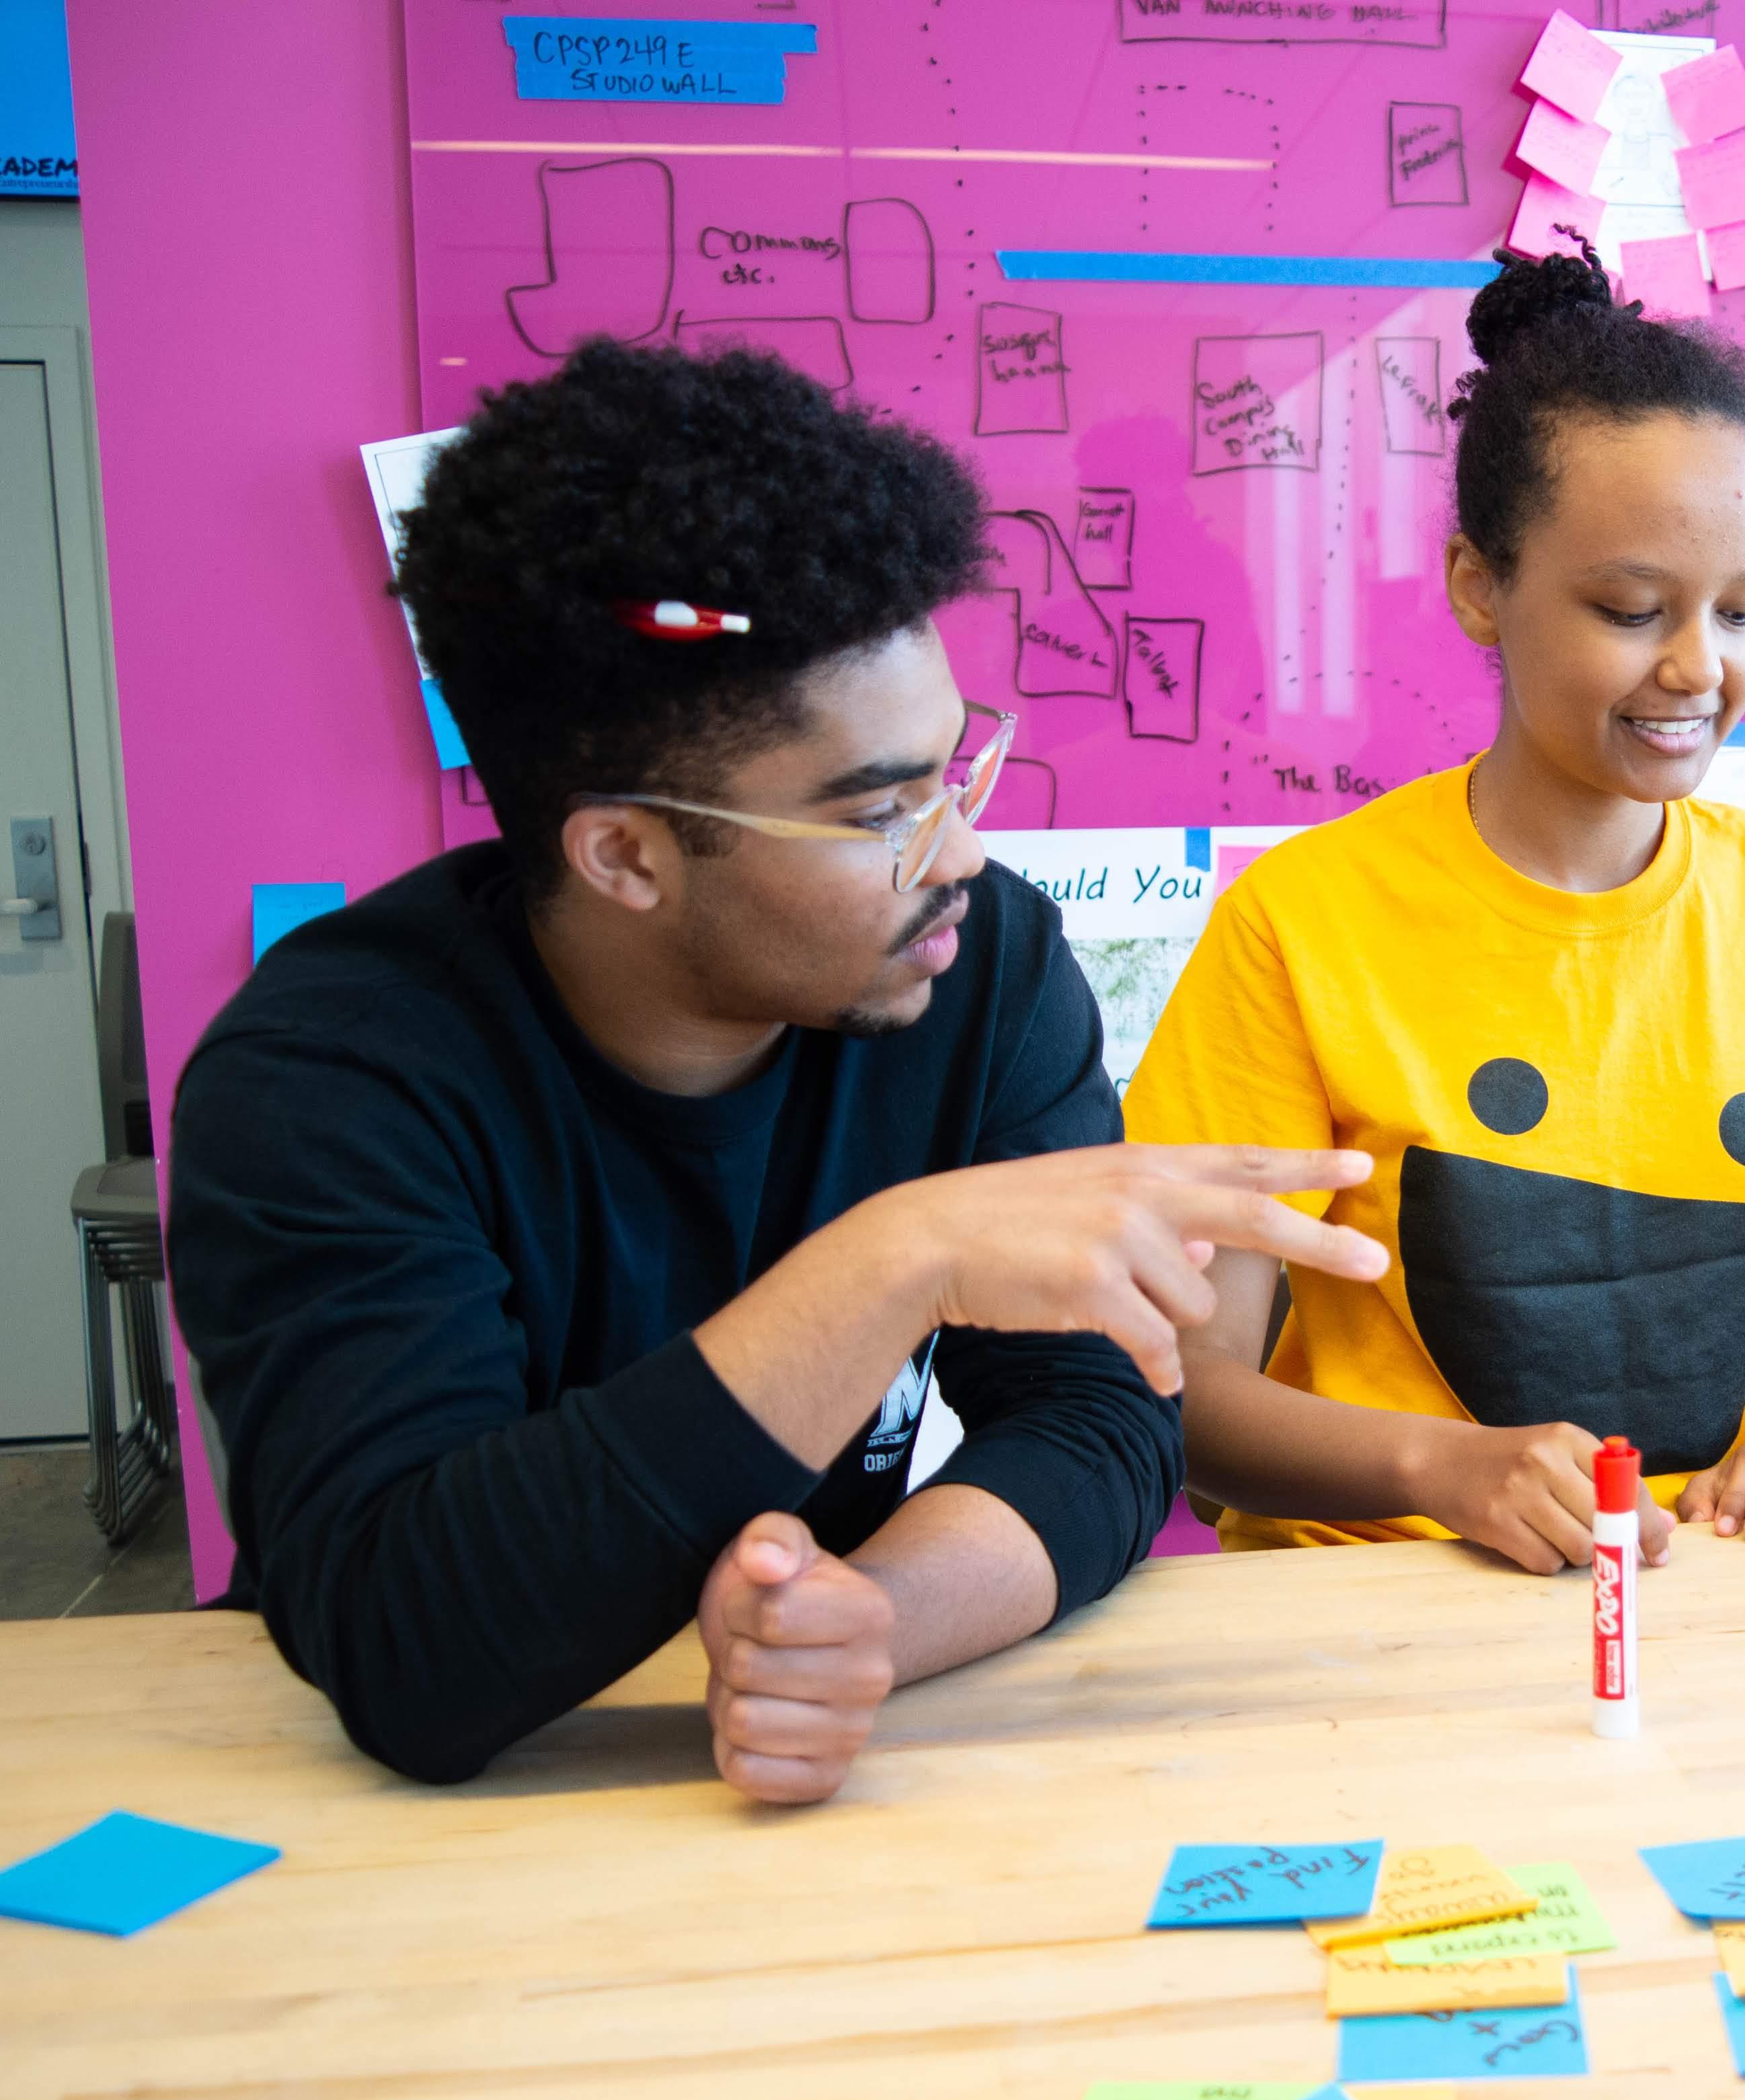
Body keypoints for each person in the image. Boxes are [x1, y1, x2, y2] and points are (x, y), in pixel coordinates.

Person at [169, 342, 1383, 1800]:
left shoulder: (978, 969)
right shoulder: (332, 1078)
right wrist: (896, 1257)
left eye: (953, 772)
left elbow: (1104, 1419)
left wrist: (875, 1623)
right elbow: (406, 1648)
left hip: (779, 1783)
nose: (962, 857)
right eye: (881, 811)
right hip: (410, 1827)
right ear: (625, 851)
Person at [1126, 243, 1745, 1567]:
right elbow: (1188, 1396)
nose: (1699, 666)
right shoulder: (1301, 920)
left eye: (1743, 611)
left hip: (1695, 1594)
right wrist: (1442, 1467)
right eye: (1633, 609)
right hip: (1375, 1609)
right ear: (1479, 585)